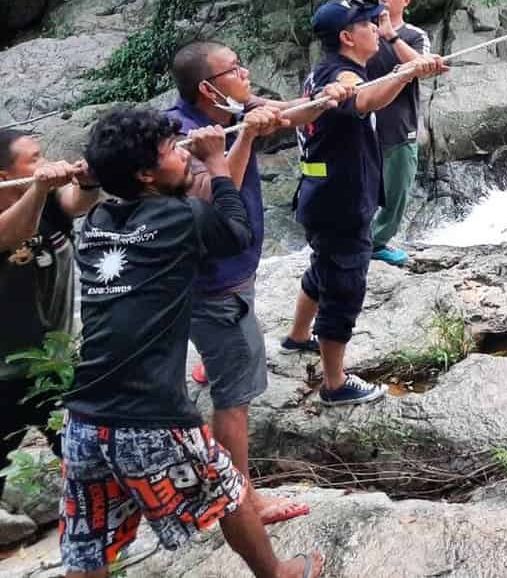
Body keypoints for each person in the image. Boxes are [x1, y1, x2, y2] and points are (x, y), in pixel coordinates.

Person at [61, 109, 321, 578]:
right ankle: (278, 574)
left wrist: (95, 176)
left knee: (89, 542)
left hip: (84, 416)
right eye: (172, 152)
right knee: (232, 492)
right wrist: (216, 162)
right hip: (149, 415)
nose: (184, 155)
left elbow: (104, 196)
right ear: (144, 174)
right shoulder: (180, 217)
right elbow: (237, 236)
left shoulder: (98, 219)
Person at [164, 41, 353, 526]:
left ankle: (213, 361)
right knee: (236, 396)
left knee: (228, 364)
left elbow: (282, 113)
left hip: (228, 276)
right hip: (214, 285)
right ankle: (241, 499)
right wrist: (242, 141)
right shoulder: (182, 134)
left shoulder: (234, 106)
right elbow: (209, 196)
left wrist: (325, 97)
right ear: (208, 88)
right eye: (235, 69)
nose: (245, 73)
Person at [283, 0, 447, 406]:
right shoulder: (340, 77)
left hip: (321, 197)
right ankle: (335, 384)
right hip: (340, 203)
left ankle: (298, 336)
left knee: (323, 267)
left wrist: (402, 70)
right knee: (344, 285)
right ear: (346, 36)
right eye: (368, 24)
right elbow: (365, 100)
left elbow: (367, 91)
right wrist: (407, 72)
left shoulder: (330, 70)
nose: (376, 27)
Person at [0, 130, 99, 497]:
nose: (44, 164)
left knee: (86, 454)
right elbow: (12, 234)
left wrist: (89, 183)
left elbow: (78, 204)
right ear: (5, 176)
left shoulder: (50, 202)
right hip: (4, 374)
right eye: (34, 159)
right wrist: (38, 190)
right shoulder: (28, 206)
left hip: (54, 364)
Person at [365, 0, 433, 267]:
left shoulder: (414, 36)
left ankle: (377, 242)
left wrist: (390, 36)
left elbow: (423, 65)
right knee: (360, 191)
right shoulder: (360, 32)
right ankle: (358, 242)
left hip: (399, 125)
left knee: (396, 193)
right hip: (361, 127)